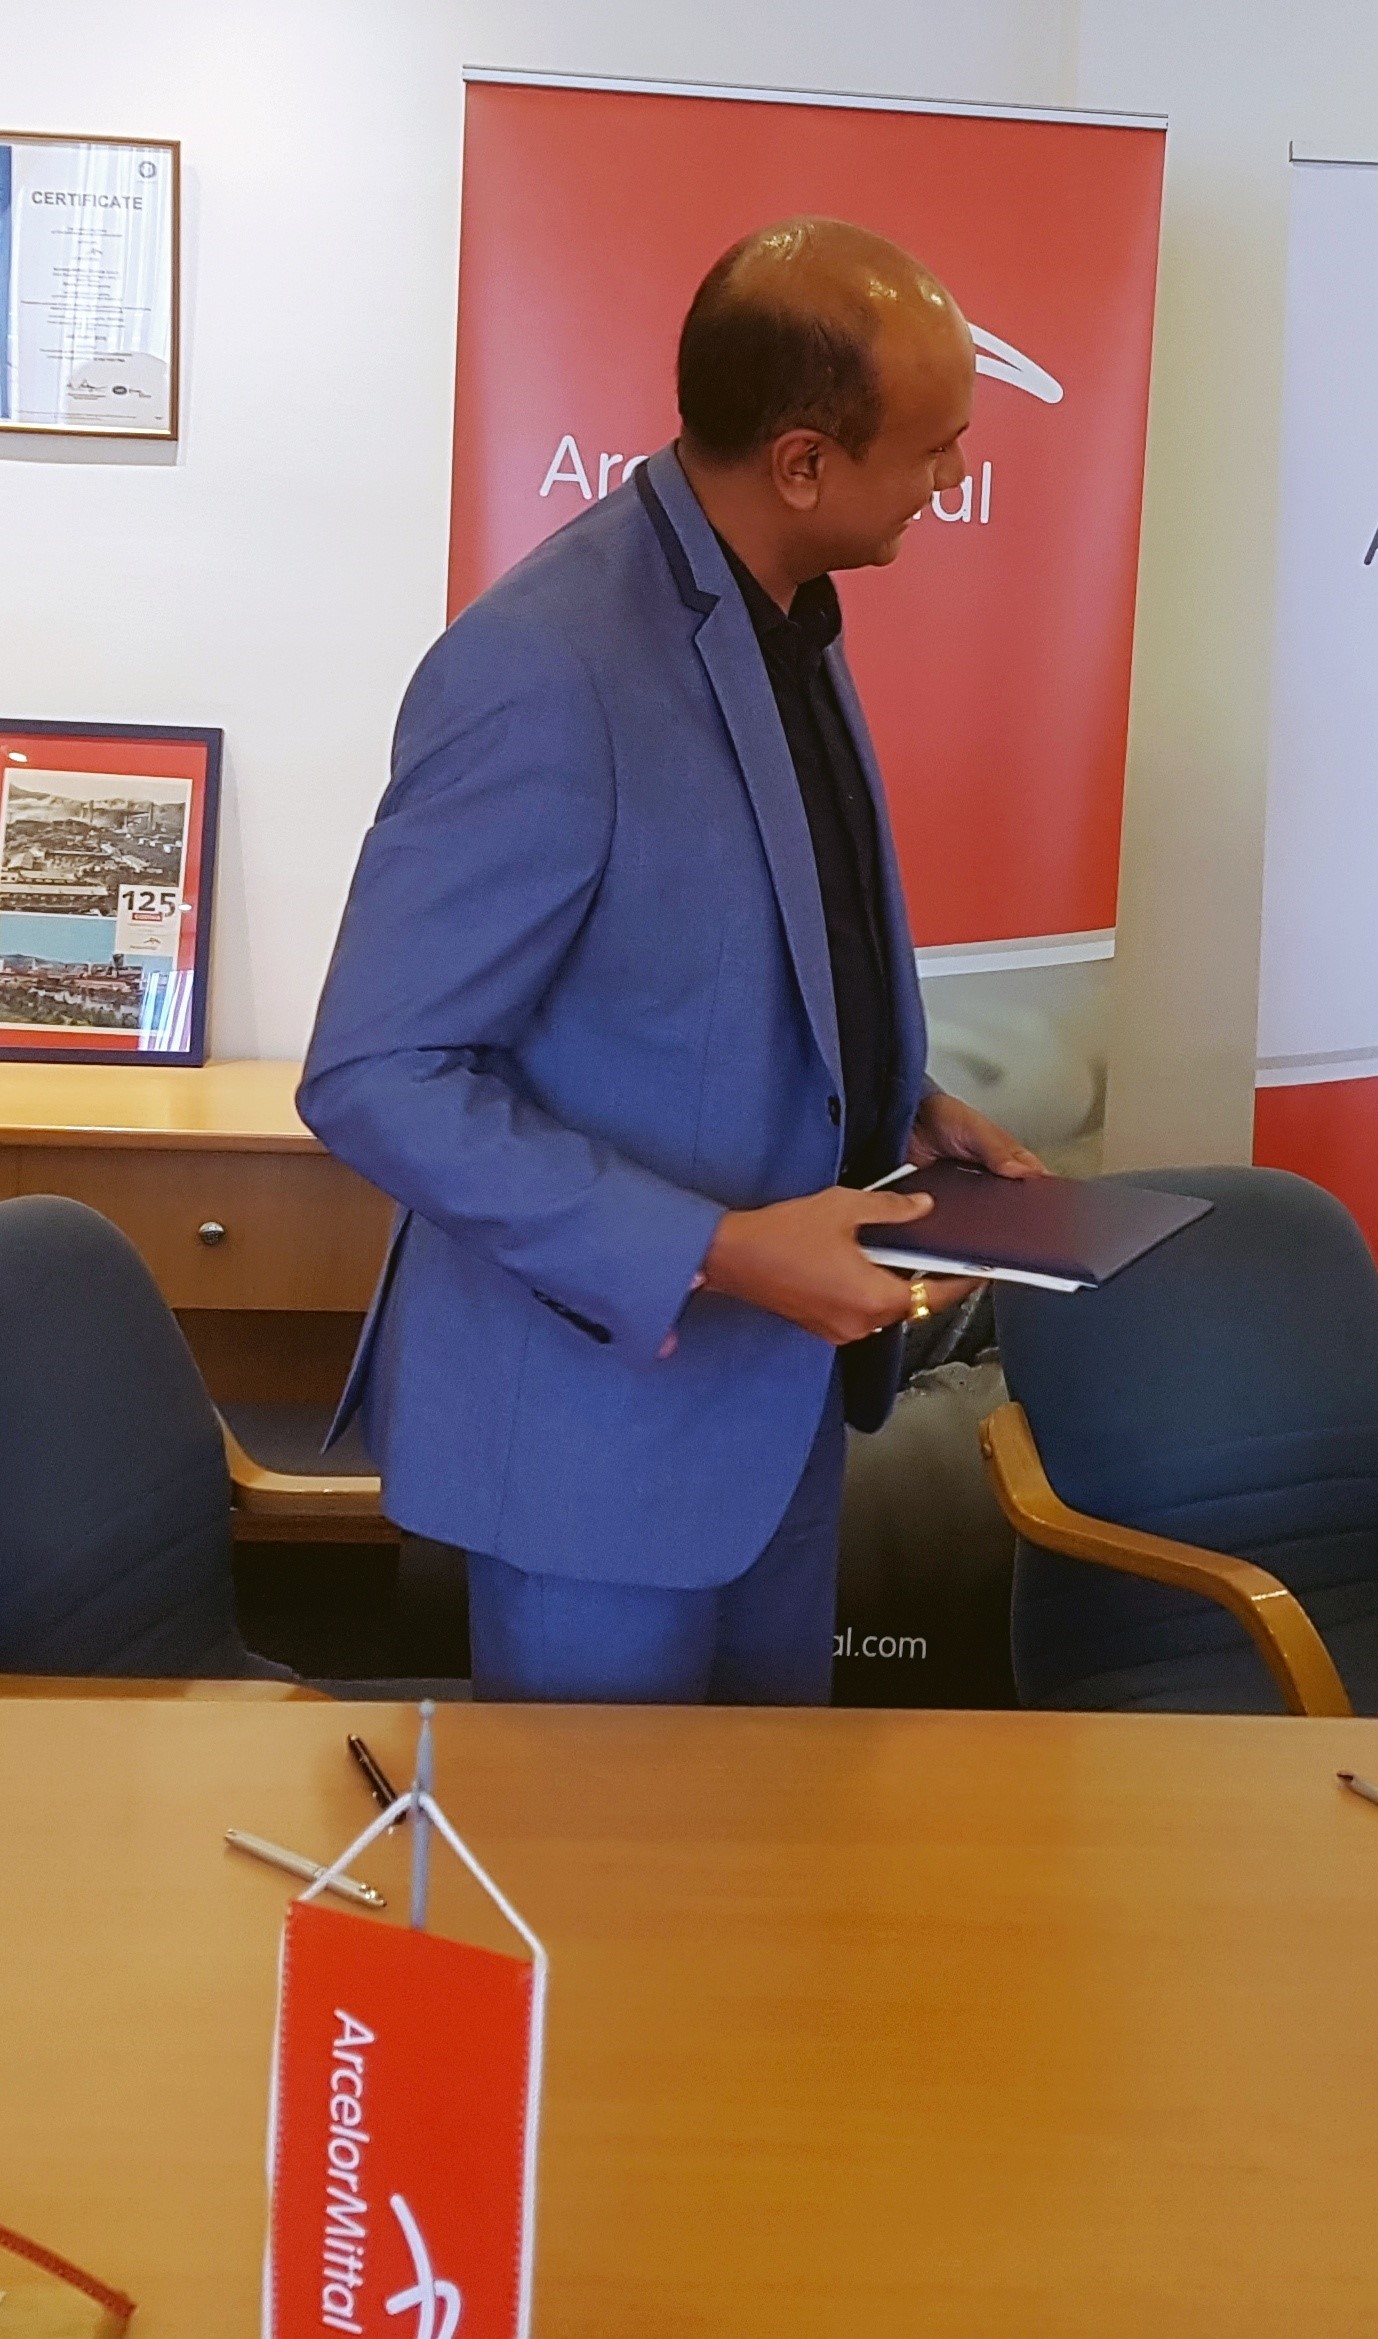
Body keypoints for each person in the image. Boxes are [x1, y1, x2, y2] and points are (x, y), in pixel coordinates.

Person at [300, 218, 1041, 1705]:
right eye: (934, 446)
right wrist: (715, 1248)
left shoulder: (784, 609)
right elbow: (376, 1072)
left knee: (765, 1850)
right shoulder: (542, 664)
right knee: (610, 1860)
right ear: (802, 462)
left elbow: (718, 957)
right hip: (596, 1451)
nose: (957, 473)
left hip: (772, 1420)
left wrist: (898, 1097)